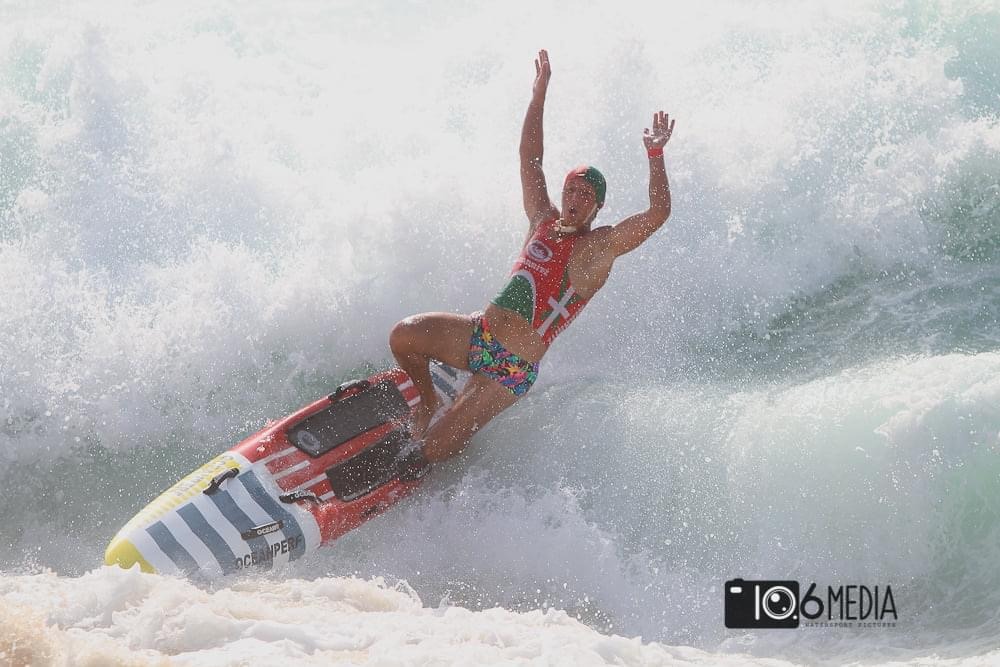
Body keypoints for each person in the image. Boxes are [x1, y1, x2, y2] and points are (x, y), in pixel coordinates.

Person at [389, 49, 674, 475]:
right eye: (572, 191)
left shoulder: (597, 249)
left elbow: (657, 214)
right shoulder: (542, 218)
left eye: (587, 197)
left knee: (428, 453)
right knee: (404, 337)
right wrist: (538, 95)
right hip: (479, 335)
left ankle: (459, 416)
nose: (576, 200)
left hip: (510, 369)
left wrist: (655, 156)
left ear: (597, 208)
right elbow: (530, 159)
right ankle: (430, 399)